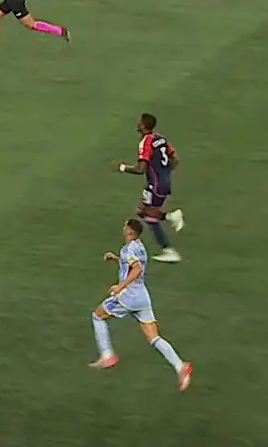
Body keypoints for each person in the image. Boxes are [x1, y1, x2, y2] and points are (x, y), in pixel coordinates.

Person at [90, 218, 192, 391]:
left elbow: (136, 269)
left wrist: (120, 287)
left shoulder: (128, 249)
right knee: (154, 338)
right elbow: (133, 266)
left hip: (128, 296)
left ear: (130, 230)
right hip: (142, 298)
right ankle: (180, 366)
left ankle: (107, 354)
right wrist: (117, 259)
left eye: (125, 226)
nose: (123, 228)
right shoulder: (140, 247)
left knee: (97, 316)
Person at [116, 113, 184, 262]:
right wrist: (164, 173)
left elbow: (141, 169)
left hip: (157, 185)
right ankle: (171, 217)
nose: (137, 124)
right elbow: (175, 159)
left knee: (149, 217)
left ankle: (169, 250)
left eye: (140, 122)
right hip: (160, 182)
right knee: (142, 211)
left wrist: (123, 168)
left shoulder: (146, 142)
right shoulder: (160, 139)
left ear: (144, 126)